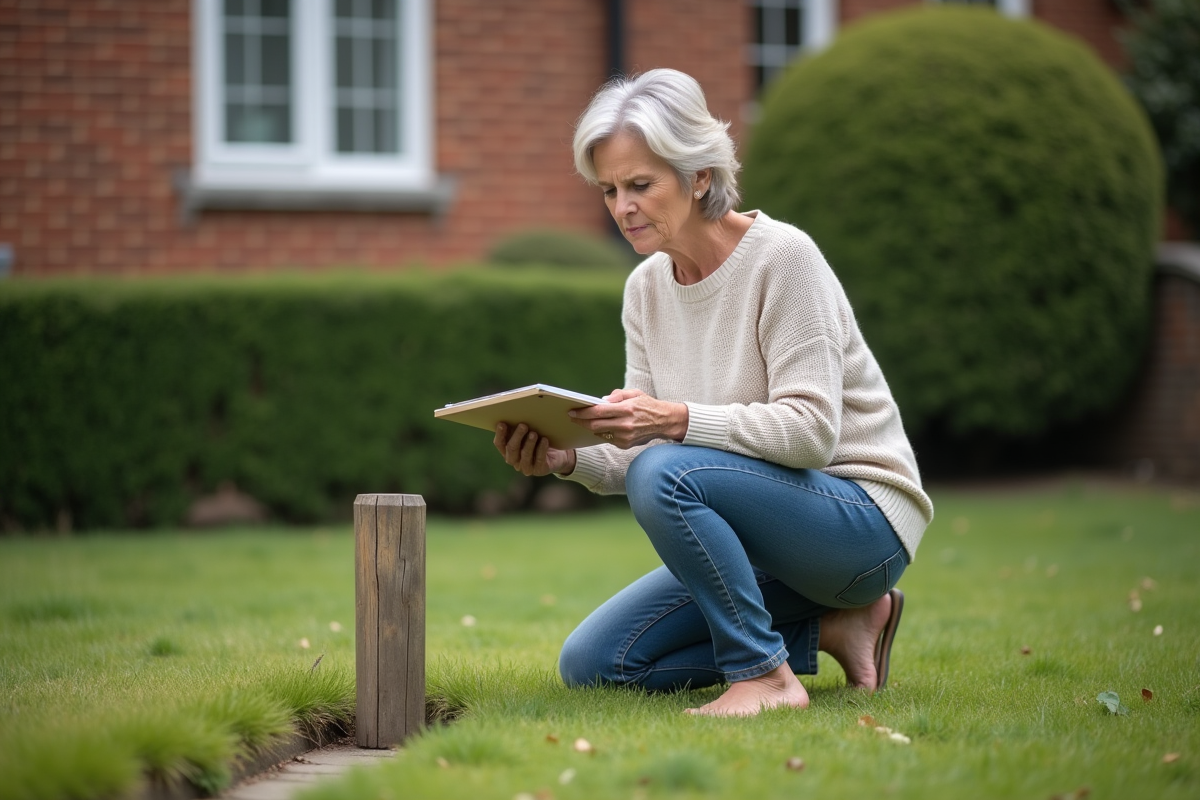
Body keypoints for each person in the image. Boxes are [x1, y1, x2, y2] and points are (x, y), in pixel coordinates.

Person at [493, 68, 933, 717]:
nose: (622, 206)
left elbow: (810, 431)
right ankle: (836, 629)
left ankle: (766, 677)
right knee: (595, 665)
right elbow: (639, 448)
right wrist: (566, 456)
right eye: (611, 189)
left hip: (860, 523)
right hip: (766, 543)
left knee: (668, 469)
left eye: (640, 184)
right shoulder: (645, 289)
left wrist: (672, 421)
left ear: (699, 175)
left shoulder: (785, 258)